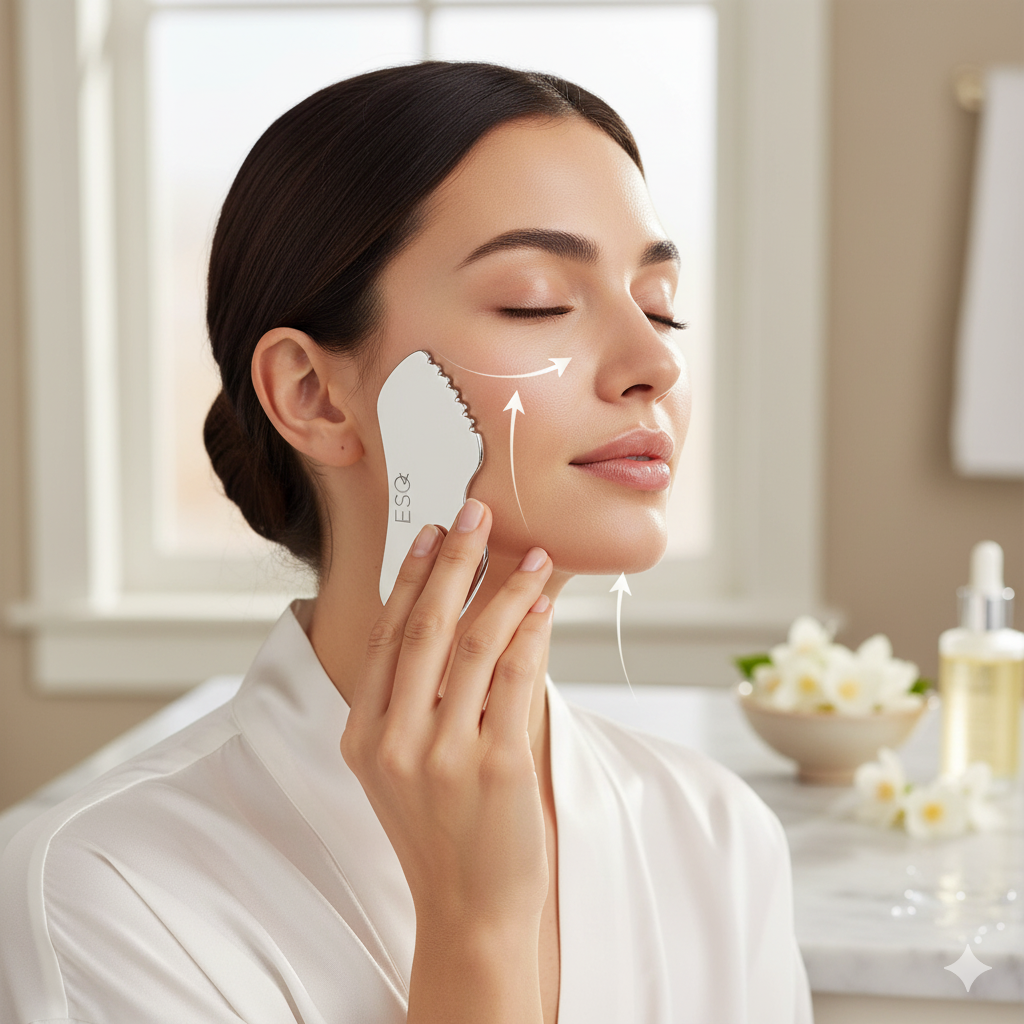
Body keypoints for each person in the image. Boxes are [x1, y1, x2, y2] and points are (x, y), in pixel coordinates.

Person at [0, 62, 812, 1023]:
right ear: (312, 393)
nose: (657, 362)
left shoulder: (716, 835)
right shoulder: (102, 887)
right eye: (537, 300)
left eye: (660, 302)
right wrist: (477, 932)